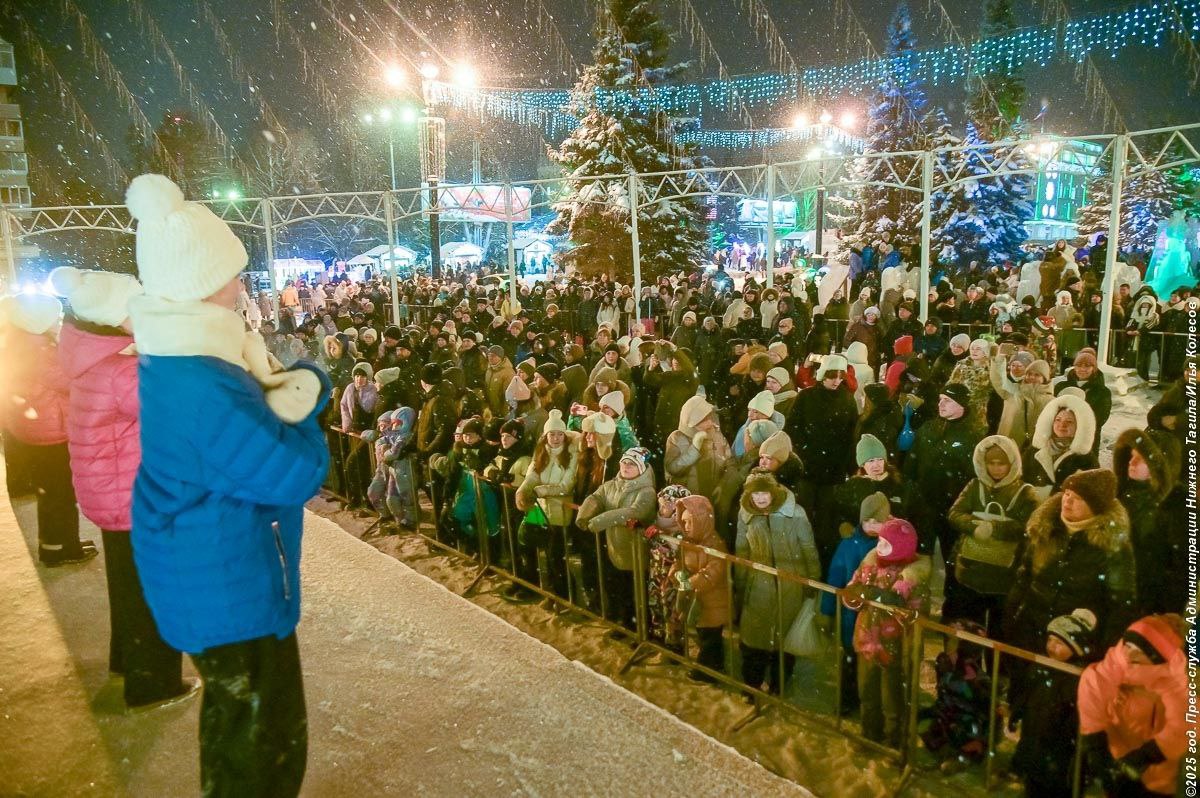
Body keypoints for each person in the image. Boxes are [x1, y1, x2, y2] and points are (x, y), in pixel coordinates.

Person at [125, 173, 330, 796]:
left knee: (234, 728)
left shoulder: (186, 362)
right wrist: (304, 402)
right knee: (261, 747)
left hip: (208, 571)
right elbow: (294, 472)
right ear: (202, 283)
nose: (242, 286)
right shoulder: (203, 384)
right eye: (233, 274)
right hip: (225, 585)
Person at [50, 265, 196, 709]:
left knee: (127, 583)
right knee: (152, 588)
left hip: (111, 493)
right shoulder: (120, 371)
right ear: (114, 319)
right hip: (133, 496)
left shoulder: (88, 360)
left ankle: (127, 659)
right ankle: (153, 682)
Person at [0, 290, 97, 566]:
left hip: (37, 428)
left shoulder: (21, 342)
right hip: (50, 431)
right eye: (55, 318)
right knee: (59, 492)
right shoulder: (38, 349)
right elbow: (68, 381)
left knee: (52, 491)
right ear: (38, 322)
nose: (59, 322)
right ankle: (61, 549)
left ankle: (59, 543)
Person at [842, 517, 930, 748]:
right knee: (867, 694)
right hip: (866, 642)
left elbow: (918, 614)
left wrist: (893, 602)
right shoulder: (869, 565)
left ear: (901, 547)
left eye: (886, 544)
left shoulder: (912, 578)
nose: (879, 547)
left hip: (895, 649)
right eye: (879, 541)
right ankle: (869, 733)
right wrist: (856, 594)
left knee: (893, 700)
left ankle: (894, 742)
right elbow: (851, 591)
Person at [1079, 614, 1188, 798]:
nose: (1129, 654)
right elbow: (1094, 683)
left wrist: (1147, 755)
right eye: (1128, 646)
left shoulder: (1174, 680)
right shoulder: (1118, 659)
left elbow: (1185, 723)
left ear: (1156, 658)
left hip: (1154, 773)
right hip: (1114, 759)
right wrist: (1094, 741)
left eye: (1139, 651)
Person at [734, 471, 819, 696]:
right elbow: (742, 550)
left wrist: (812, 581)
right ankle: (752, 684)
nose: (760, 498)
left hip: (790, 584)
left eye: (764, 493)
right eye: (755, 494)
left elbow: (808, 549)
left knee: (784, 639)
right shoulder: (745, 515)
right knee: (754, 639)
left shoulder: (796, 513)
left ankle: (779, 684)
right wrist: (740, 582)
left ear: (773, 492)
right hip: (758, 586)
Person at [945, 436, 1039, 631]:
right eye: (991, 463)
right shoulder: (975, 486)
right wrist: (974, 526)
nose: (996, 469)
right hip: (971, 570)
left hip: (1004, 575)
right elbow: (954, 514)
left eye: (1001, 464)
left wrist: (994, 528)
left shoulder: (1025, 493)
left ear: (1011, 463)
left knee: (999, 630)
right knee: (969, 627)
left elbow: (1029, 526)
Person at [1010, 609, 1097, 798]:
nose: (1051, 646)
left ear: (1076, 648)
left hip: (1060, 750)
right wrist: (1016, 712)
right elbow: (1027, 692)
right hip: (1035, 737)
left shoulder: (1079, 678)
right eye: (1050, 640)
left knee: (1056, 787)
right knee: (1033, 781)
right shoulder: (1042, 665)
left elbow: (1079, 716)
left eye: (1059, 643)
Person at [820, 491, 891, 717]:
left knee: (875, 667)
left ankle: (874, 705)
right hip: (851, 619)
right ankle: (848, 700)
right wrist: (826, 611)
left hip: (880, 622)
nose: (872, 526)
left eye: (877, 521)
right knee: (850, 662)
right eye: (867, 521)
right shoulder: (848, 545)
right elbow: (835, 578)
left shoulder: (891, 546)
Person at [576, 447, 656, 629]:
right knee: (620, 591)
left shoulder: (646, 491)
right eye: (624, 462)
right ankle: (626, 625)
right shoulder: (612, 485)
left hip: (636, 552)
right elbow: (596, 497)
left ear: (641, 468)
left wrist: (600, 520)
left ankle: (642, 629)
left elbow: (634, 512)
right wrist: (585, 513)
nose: (626, 467)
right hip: (615, 549)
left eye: (631, 464)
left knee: (637, 594)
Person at [672, 494, 730, 681]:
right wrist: (677, 574)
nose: (686, 526)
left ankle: (707, 670)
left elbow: (714, 572)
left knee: (710, 638)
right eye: (684, 522)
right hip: (697, 601)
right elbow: (679, 562)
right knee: (703, 634)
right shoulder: (688, 542)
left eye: (690, 522)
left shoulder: (716, 544)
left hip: (713, 601)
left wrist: (691, 582)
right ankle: (715, 665)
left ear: (701, 520)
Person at [1021, 391, 1099, 499]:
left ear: (1079, 426)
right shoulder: (1034, 451)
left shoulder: (1086, 460)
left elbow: (1090, 494)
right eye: (1058, 420)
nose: (1062, 425)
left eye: (1069, 421)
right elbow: (1022, 482)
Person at [663, 394, 731, 497]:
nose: (710, 423)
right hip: (687, 497)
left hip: (713, 495)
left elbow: (729, 463)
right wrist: (694, 449)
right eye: (704, 420)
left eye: (710, 417)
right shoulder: (676, 438)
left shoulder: (717, 435)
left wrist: (722, 485)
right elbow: (672, 469)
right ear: (693, 423)